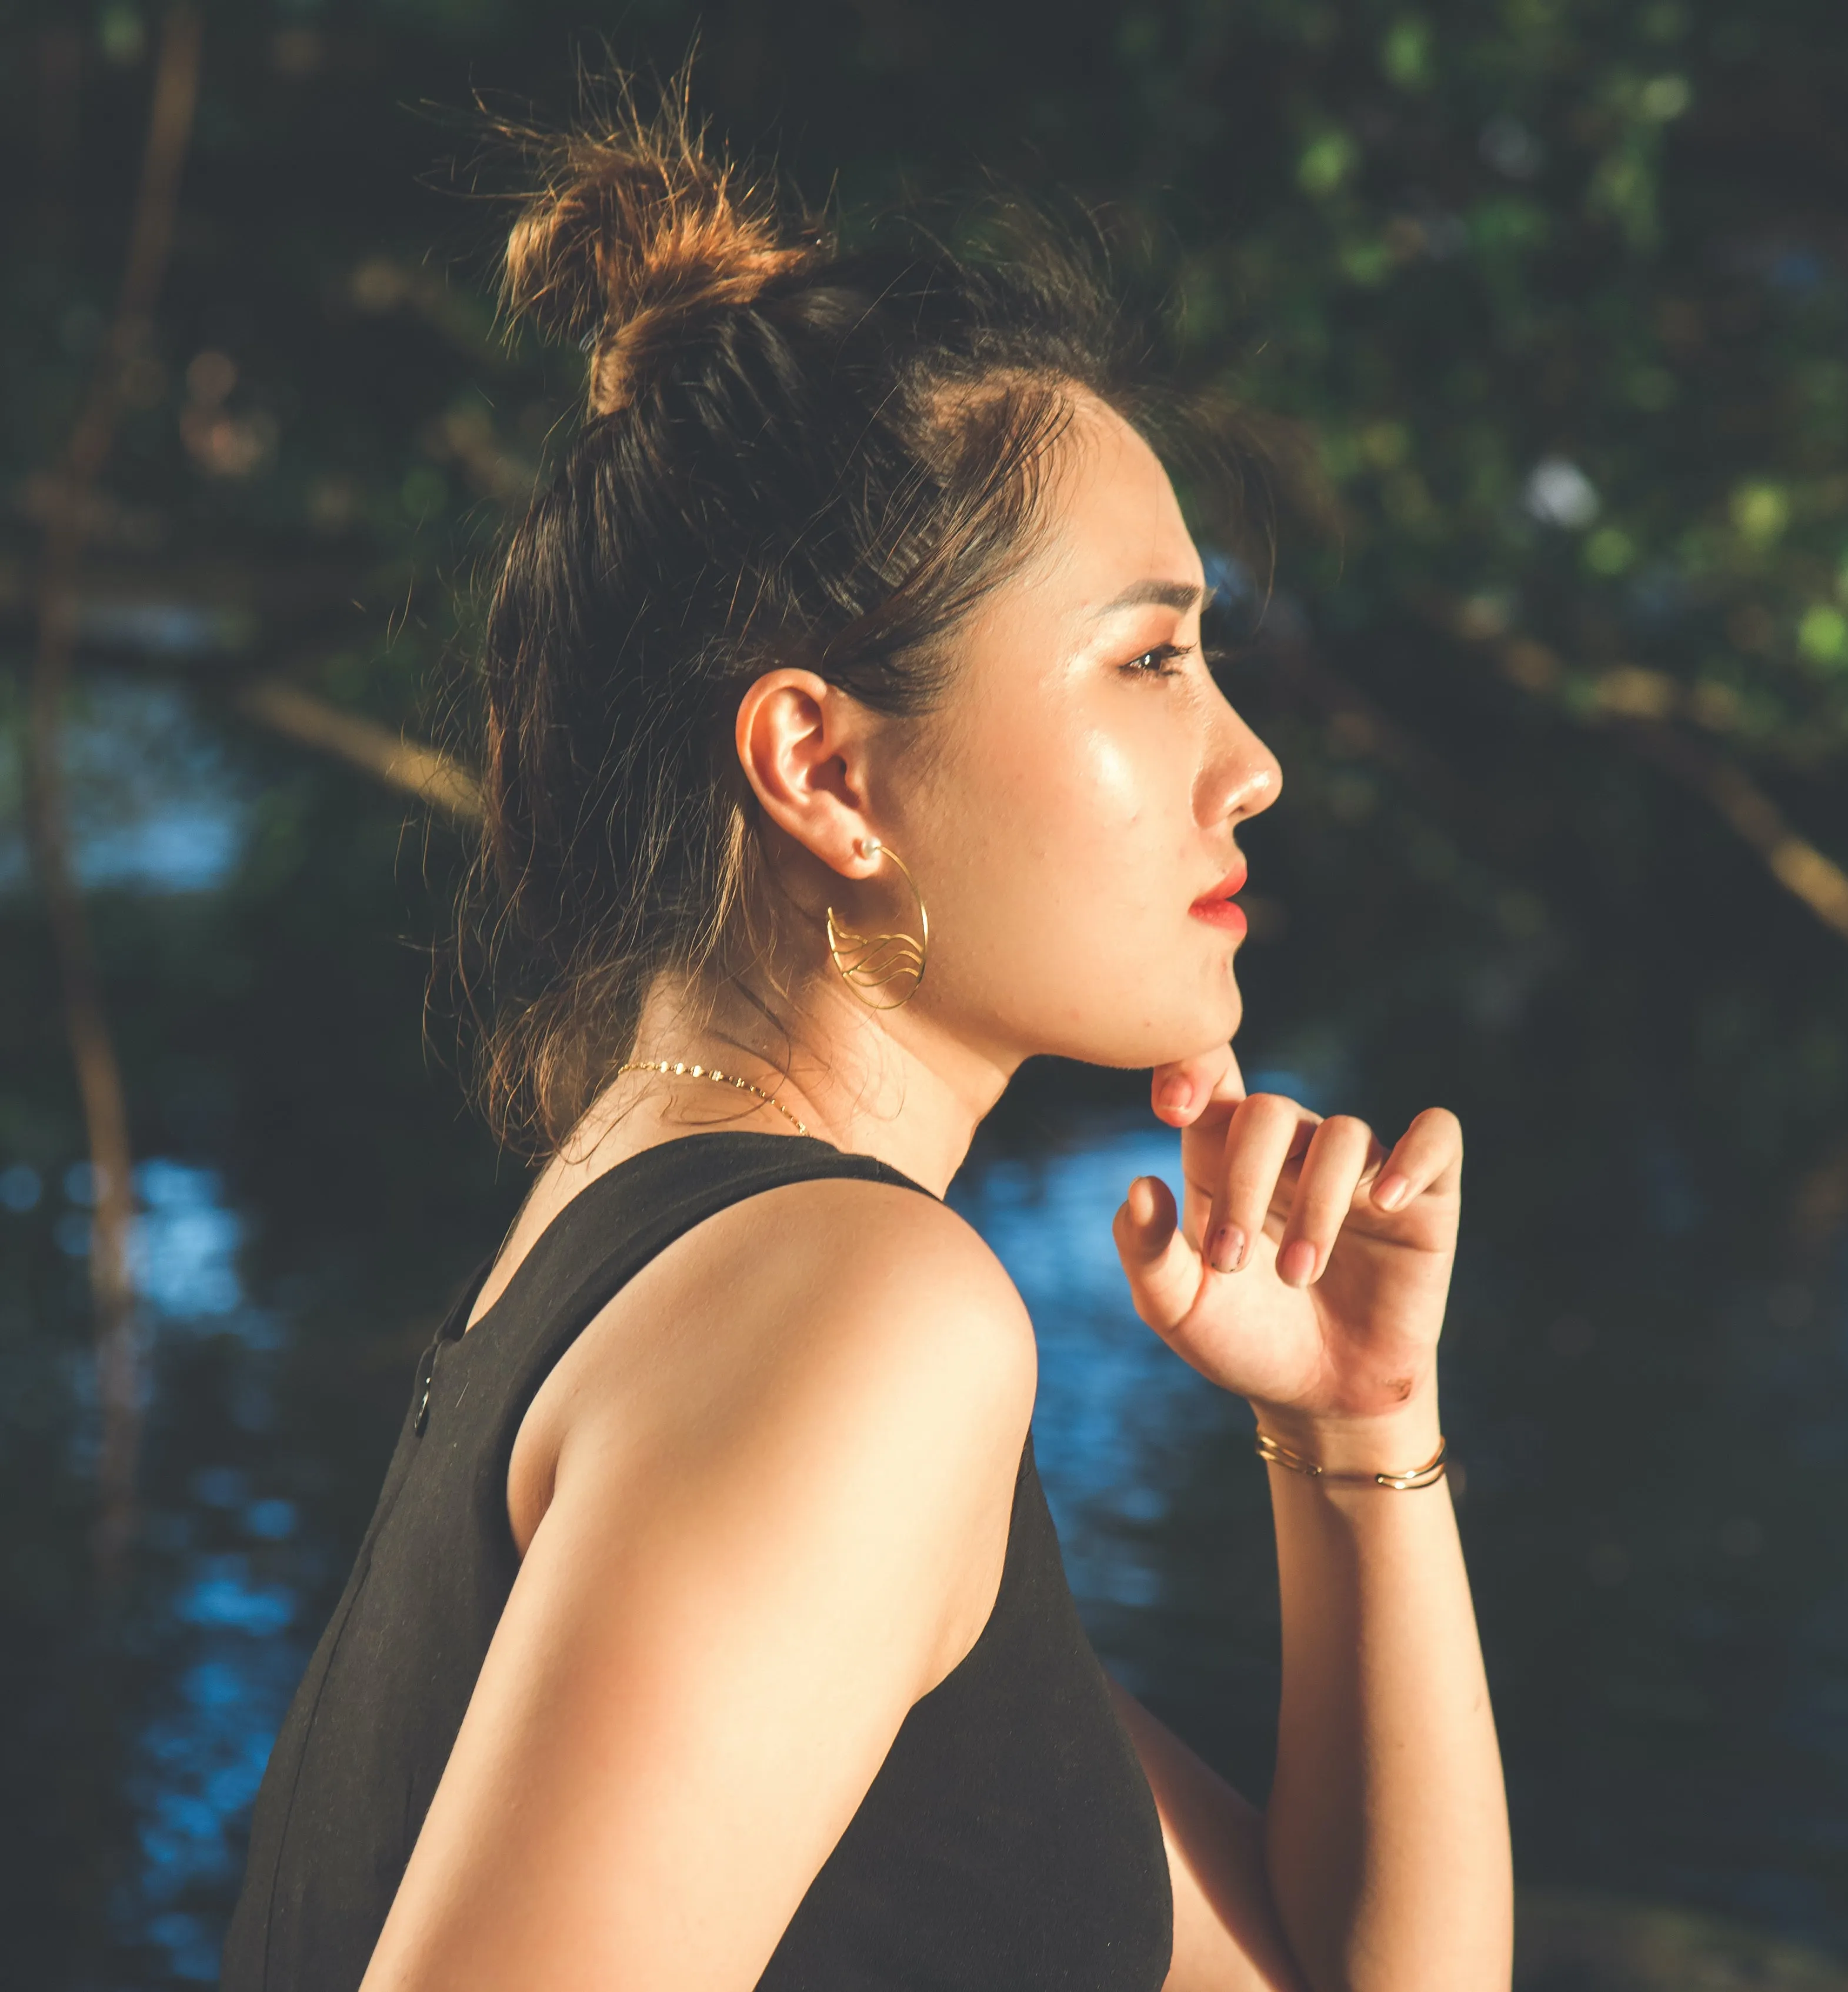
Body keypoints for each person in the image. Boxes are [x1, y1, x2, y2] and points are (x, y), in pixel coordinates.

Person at [222, 92, 1511, 1992]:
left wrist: (1353, 1433)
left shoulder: (654, 1271)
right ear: (825, 768)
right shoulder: (858, 1314)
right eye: (1150, 660)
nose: (1251, 764)